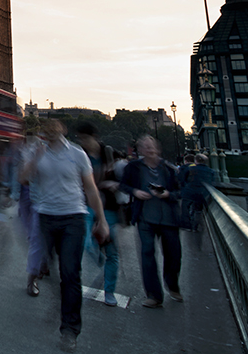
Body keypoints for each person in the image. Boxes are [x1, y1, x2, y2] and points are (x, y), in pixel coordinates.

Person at [18, 119, 108, 353]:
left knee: (70, 273)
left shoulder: (78, 154)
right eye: (46, 130)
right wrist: (35, 157)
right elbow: (23, 179)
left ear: (63, 131)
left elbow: (90, 188)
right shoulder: (38, 153)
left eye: (54, 128)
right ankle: (60, 299)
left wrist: (102, 219)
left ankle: (69, 329)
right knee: (51, 266)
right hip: (47, 217)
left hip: (73, 217)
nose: (50, 132)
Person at [119, 136, 183, 309]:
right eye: (145, 147)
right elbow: (123, 185)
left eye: (151, 146)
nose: (149, 149)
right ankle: (154, 295)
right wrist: (136, 192)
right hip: (145, 218)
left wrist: (168, 195)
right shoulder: (133, 167)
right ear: (139, 150)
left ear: (157, 149)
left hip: (169, 218)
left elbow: (180, 191)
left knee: (173, 255)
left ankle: (172, 284)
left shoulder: (168, 169)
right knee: (147, 254)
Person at [75, 123, 121, 306]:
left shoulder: (109, 153)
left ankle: (109, 291)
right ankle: (96, 253)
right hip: (85, 204)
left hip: (107, 205)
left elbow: (123, 176)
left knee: (112, 251)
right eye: (80, 139)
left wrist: (113, 184)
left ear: (94, 137)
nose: (82, 142)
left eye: (85, 138)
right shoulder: (80, 155)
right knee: (85, 242)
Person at [16, 127, 51, 297]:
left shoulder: (53, 151)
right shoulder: (23, 149)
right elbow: (20, 177)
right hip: (27, 195)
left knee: (39, 238)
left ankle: (36, 273)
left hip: (45, 200)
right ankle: (38, 269)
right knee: (32, 237)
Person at [180, 153, 215, 233]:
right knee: (198, 209)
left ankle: (187, 225)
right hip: (203, 193)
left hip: (190, 191)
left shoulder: (191, 168)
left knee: (185, 207)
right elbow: (212, 182)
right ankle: (195, 226)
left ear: (196, 160)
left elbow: (183, 179)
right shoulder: (211, 171)